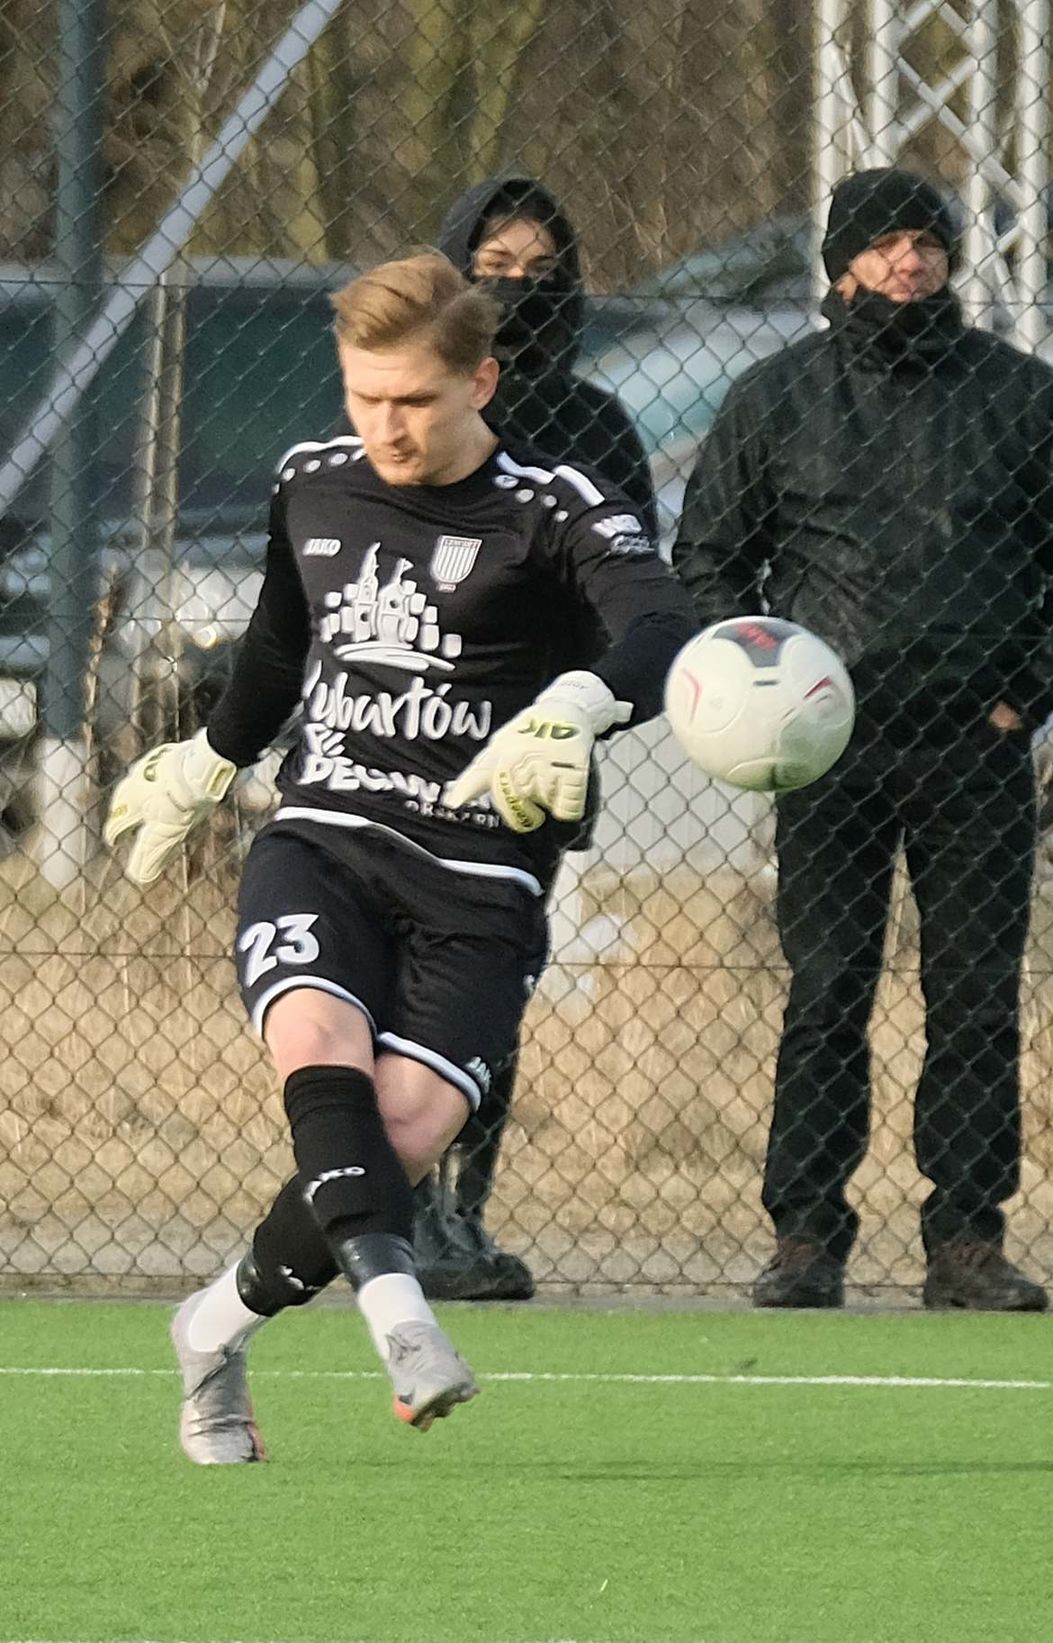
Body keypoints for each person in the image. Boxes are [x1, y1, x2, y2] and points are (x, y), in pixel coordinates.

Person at [105, 249, 695, 1463]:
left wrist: (581, 701)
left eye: (414, 400)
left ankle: (208, 1329)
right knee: (316, 1047)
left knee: (404, 1128)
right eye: (364, 396)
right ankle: (402, 1315)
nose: (385, 425)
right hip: (324, 838)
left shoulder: (555, 508)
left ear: (480, 379)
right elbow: (279, 641)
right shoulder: (312, 483)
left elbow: (661, 623)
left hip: (481, 877)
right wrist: (208, 759)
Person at [672, 167, 1053, 1312]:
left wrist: (1024, 695)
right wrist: (755, 691)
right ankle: (806, 1234)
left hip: (975, 743)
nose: (907, 262)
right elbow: (712, 560)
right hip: (824, 749)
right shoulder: (773, 399)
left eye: (926, 241)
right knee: (827, 987)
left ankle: (968, 1236)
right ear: (839, 263)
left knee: (975, 993)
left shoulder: (1022, 397)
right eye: (881, 243)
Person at [409, 176, 657, 1302]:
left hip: (541, 733)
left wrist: (592, 695)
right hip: (414, 723)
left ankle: (460, 1207)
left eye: (541, 268)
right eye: (494, 264)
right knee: (400, 967)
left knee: (495, 970)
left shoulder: (598, 422)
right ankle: (392, 1198)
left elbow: (640, 587)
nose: (517, 285)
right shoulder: (418, 399)